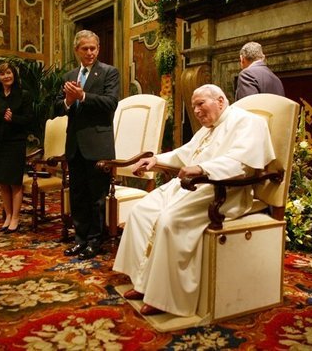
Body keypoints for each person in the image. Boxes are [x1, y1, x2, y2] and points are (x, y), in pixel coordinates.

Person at [113, 84, 275, 317]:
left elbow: (242, 163)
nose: (196, 111)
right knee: (141, 210)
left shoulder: (247, 121)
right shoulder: (208, 128)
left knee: (170, 220)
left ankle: (166, 297)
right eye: (193, 106)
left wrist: (201, 168)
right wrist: (155, 160)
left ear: (220, 101)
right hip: (193, 186)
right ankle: (143, 282)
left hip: (224, 190)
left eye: (201, 104)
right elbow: (184, 153)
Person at [53, 30, 120, 260]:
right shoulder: (70, 74)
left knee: (96, 198)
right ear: (77, 51)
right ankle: (80, 240)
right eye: (85, 49)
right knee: (78, 196)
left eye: (93, 48)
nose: (90, 52)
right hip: (74, 145)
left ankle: (95, 242)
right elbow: (56, 108)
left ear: (98, 49)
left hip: (98, 145)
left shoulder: (109, 72)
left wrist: (82, 96)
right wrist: (68, 101)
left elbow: (111, 103)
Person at [0, 62, 33, 234]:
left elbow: (29, 120)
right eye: (2, 74)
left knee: (15, 182)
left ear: (14, 75)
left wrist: (13, 119)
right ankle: (8, 216)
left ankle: (16, 218)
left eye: (9, 73)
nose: (6, 76)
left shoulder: (24, 95)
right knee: (3, 182)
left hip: (16, 142)